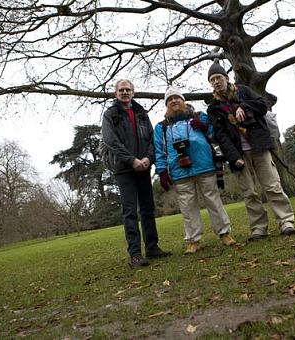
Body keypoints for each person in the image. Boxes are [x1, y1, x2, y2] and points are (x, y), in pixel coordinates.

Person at [206, 61, 295, 241]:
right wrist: (233, 157)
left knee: (272, 186)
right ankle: (258, 228)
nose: (216, 82)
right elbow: (220, 135)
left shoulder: (243, 91)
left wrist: (244, 106)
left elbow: (262, 105)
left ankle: (286, 222)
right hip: (238, 154)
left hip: (258, 146)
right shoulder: (213, 108)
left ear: (226, 78)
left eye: (218, 77)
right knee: (249, 193)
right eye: (212, 80)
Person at [154, 87, 237, 255]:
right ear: (166, 105)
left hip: (204, 165)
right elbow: (158, 150)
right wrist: (162, 171)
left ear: (183, 100)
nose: (174, 101)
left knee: (213, 201)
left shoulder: (200, 116)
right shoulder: (161, 127)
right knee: (187, 207)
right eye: (170, 99)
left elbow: (215, 134)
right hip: (179, 171)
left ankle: (224, 233)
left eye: (177, 98)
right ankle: (193, 240)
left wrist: (205, 127)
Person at [101, 79, 171, 268]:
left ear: (133, 92)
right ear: (115, 93)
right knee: (130, 212)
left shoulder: (141, 113)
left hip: (144, 167)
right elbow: (110, 141)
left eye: (128, 90)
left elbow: (150, 139)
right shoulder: (110, 115)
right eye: (121, 90)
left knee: (148, 208)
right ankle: (135, 254)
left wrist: (149, 159)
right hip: (124, 169)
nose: (125, 92)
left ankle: (152, 247)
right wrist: (132, 160)